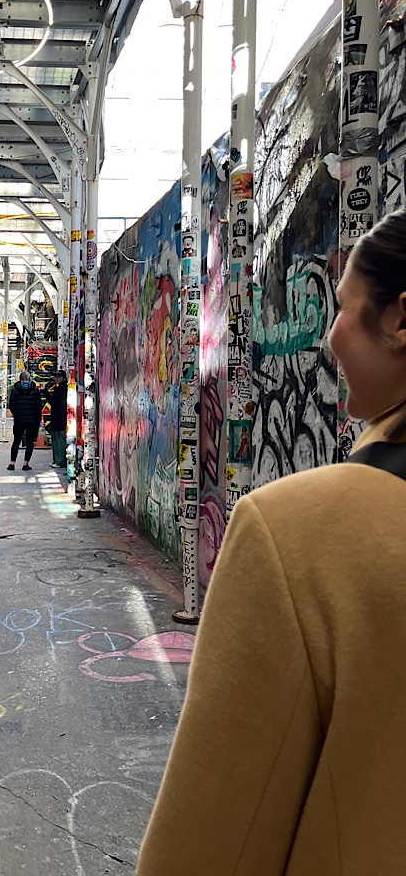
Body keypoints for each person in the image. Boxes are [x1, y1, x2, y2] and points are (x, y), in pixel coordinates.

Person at [135, 206, 406, 875]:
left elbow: (205, 848)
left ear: (400, 319)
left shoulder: (301, 540)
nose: (331, 336)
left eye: (343, 308)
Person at [7, 368, 42, 471]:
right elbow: (38, 405)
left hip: (19, 420)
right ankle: (25, 464)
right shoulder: (35, 389)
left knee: (16, 441)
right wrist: (37, 417)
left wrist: (17, 414)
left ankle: (12, 463)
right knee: (30, 442)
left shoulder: (15, 389)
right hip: (32, 420)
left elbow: (11, 405)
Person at [43, 370, 68, 468]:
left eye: (58, 377)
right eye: (56, 376)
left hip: (59, 418)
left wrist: (45, 393)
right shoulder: (61, 388)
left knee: (58, 440)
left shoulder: (61, 389)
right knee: (57, 439)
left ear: (63, 378)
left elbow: (54, 402)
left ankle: (59, 460)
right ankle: (58, 460)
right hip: (59, 418)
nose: (56, 378)